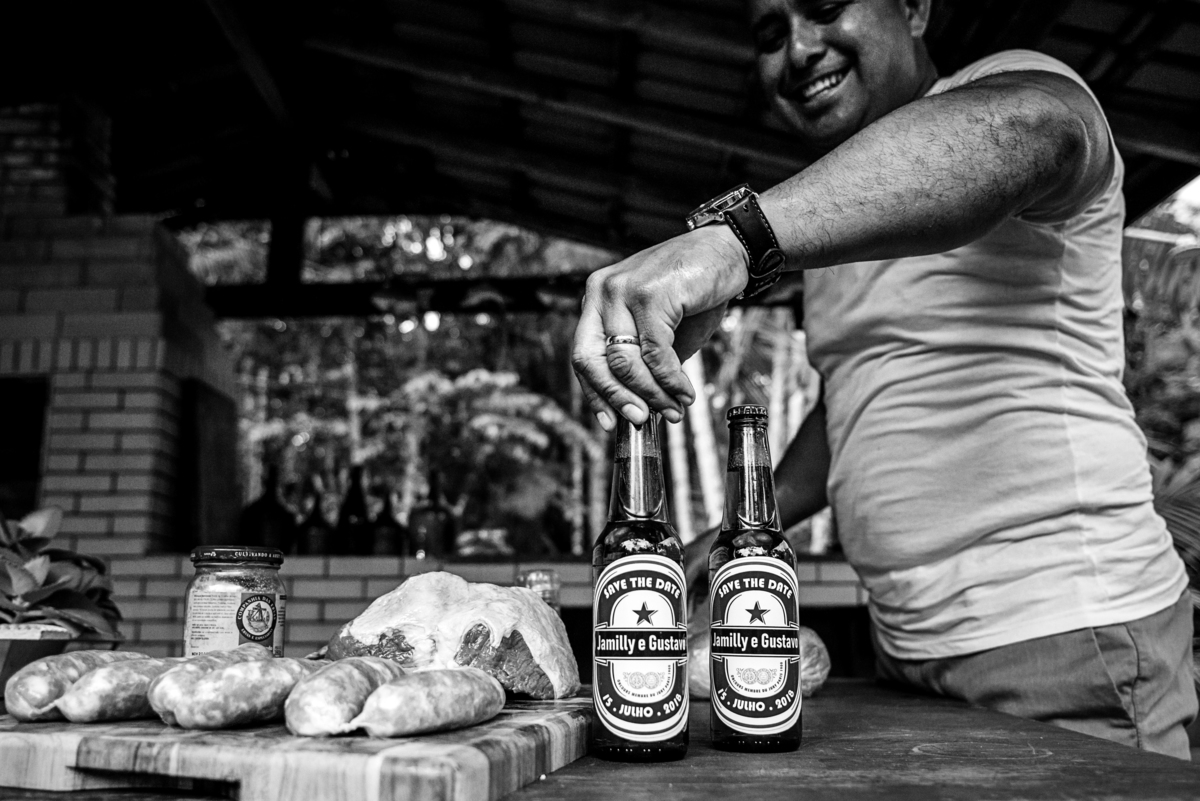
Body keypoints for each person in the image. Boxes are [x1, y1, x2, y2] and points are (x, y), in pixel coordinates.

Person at [570, 0, 1197, 759]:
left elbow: (1036, 129)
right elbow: (859, 405)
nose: (799, 49)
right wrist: (725, 537)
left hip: (1064, 633)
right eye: (770, 35)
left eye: (827, 6)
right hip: (906, 647)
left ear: (916, 7)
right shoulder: (840, 223)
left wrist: (736, 243)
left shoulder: (1017, 86)